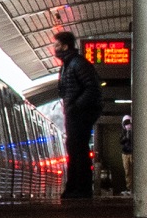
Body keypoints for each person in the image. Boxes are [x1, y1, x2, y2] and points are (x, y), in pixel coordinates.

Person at [37, 21, 106, 201]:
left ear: (66, 46)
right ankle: (75, 187)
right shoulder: (69, 64)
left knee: (78, 151)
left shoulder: (77, 64)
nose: (55, 49)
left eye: (57, 46)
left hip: (80, 114)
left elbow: (92, 88)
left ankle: (80, 188)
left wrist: (75, 106)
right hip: (75, 113)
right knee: (74, 150)